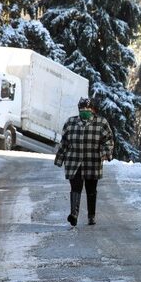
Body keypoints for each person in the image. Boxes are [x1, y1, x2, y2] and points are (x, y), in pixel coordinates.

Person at [54, 97, 114, 226]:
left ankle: (91, 216)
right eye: (82, 108)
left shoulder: (101, 122)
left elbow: (108, 140)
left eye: (88, 108)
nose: (85, 111)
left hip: (92, 162)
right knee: (75, 187)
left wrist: (104, 153)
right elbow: (64, 142)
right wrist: (60, 158)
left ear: (93, 109)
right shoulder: (70, 122)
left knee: (91, 189)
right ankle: (74, 215)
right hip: (74, 162)